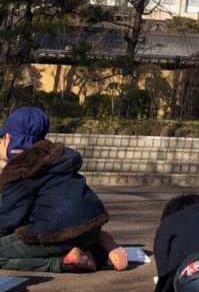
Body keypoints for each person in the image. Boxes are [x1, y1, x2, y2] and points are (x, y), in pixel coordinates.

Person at [0, 106, 127, 272]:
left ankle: (61, 263)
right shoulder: (58, 159)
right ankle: (98, 247)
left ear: (9, 139)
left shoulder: (21, 170)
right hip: (90, 227)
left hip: (57, 234)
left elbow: (9, 219)